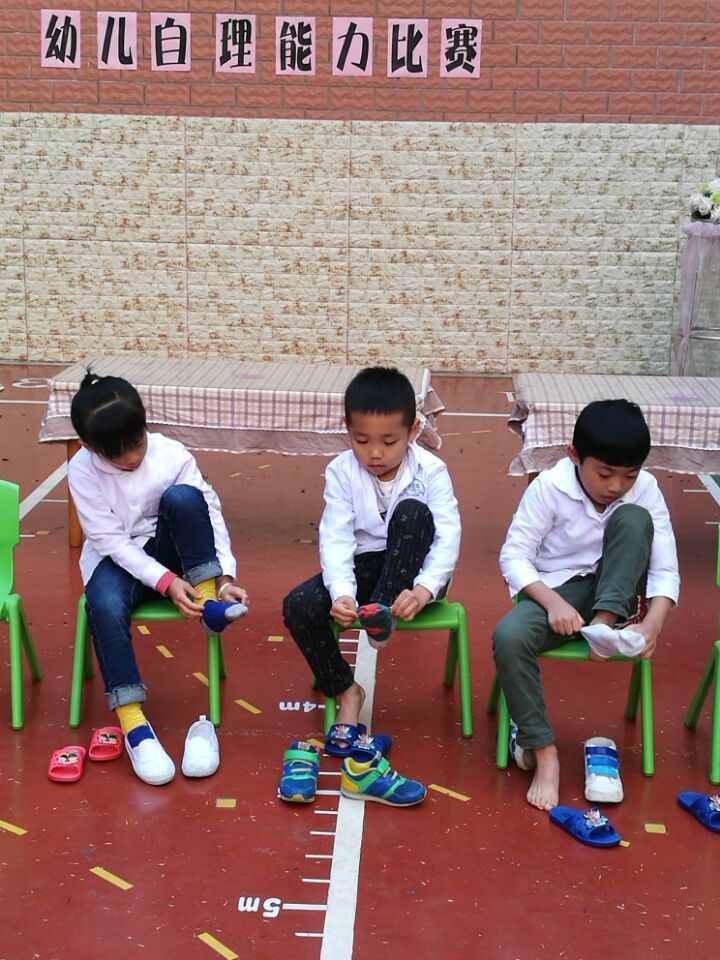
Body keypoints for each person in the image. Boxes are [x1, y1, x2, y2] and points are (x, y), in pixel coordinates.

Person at [282, 366, 461, 805]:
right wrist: (342, 593)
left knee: (414, 512)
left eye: (389, 441)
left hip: (416, 572)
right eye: (362, 441)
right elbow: (336, 537)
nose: (375, 453)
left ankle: (379, 613)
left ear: (413, 432)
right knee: (298, 604)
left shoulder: (432, 471)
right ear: (348, 431)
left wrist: (425, 589)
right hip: (365, 567)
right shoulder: (341, 471)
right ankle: (347, 691)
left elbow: (447, 537)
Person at [493, 399, 680, 812]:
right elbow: (514, 557)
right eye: (605, 473)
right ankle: (543, 752)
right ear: (574, 455)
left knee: (634, 519)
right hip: (559, 590)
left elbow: (665, 568)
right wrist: (553, 603)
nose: (615, 486)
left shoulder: (645, 490)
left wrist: (652, 626)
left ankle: (603, 626)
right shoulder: (549, 487)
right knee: (508, 636)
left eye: (629, 475)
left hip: (621, 597)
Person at [68, 372, 249, 786]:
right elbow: (110, 541)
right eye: (116, 454)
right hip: (117, 559)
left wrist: (224, 578)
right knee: (103, 602)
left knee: (185, 498)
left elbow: (209, 513)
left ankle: (208, 603)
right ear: (89, 447)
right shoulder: (81, 470)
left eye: (137, 443)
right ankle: (134, 725)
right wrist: (166, 582)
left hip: (173, 552)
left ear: (144, 423)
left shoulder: (171, 453)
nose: (132, 457)